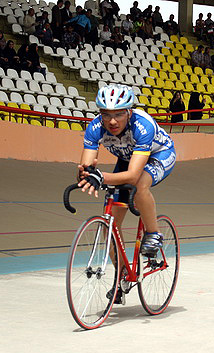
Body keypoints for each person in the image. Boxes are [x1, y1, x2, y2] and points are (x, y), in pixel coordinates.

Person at [76, 84, 176, 301]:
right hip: (128, 158)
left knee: (140, 184)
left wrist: (101, 176)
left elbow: (131, 176)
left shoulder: (143, 125)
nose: (112, 121)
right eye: (106, 115)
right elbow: (86, 166)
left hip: (158, 156)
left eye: (119, 114)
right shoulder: (95, 127)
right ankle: (122, 274)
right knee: (109, 226)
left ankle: (153, 233)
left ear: (129, 112)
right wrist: (85, 174)